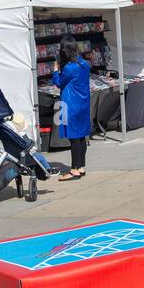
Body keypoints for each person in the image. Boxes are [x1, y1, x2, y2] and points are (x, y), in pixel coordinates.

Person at [52, 35, 92, 181]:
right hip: (82, 104)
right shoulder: (83, 64)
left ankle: (74, 169)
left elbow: (59, 82)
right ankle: (81, 166)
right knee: (81, 137)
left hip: (71, 104)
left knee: (74, 138)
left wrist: (55, 70)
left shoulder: (70, 67)